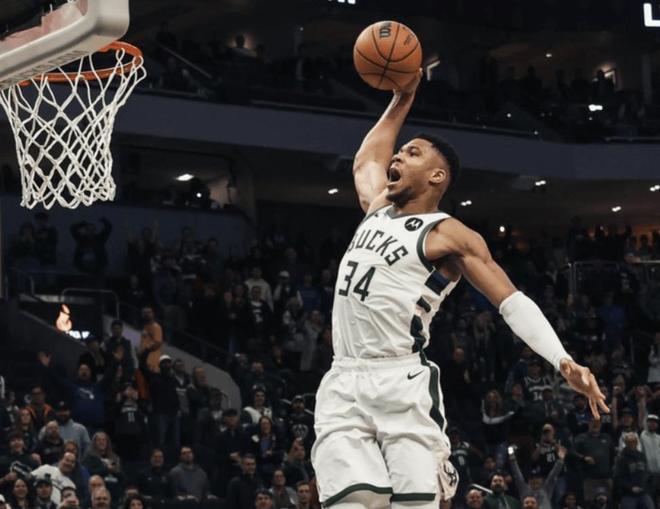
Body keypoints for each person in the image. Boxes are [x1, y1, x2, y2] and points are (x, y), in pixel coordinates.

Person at [311, 70, 606, 509]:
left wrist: (562, 360)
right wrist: (402, 98)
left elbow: (510, 301)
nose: (398, 155)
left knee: (414, 504)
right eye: (400, 151)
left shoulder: (448, 234)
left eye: (411, 153)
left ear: (436, 176)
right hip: (343, 379)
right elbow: (365, 159)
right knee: (352, 502)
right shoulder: (376, 208)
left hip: (399, 381)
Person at [613, 432, 654, 509]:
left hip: (643, 492)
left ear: (637, 442)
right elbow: (618, 478)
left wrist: (645, 487)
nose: (632, 444)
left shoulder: (641, 456)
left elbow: (646, 473)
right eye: (629, 442)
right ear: (626, 443)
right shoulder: (621, 459)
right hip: (628, 494)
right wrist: (630, 488)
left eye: (633, 441)